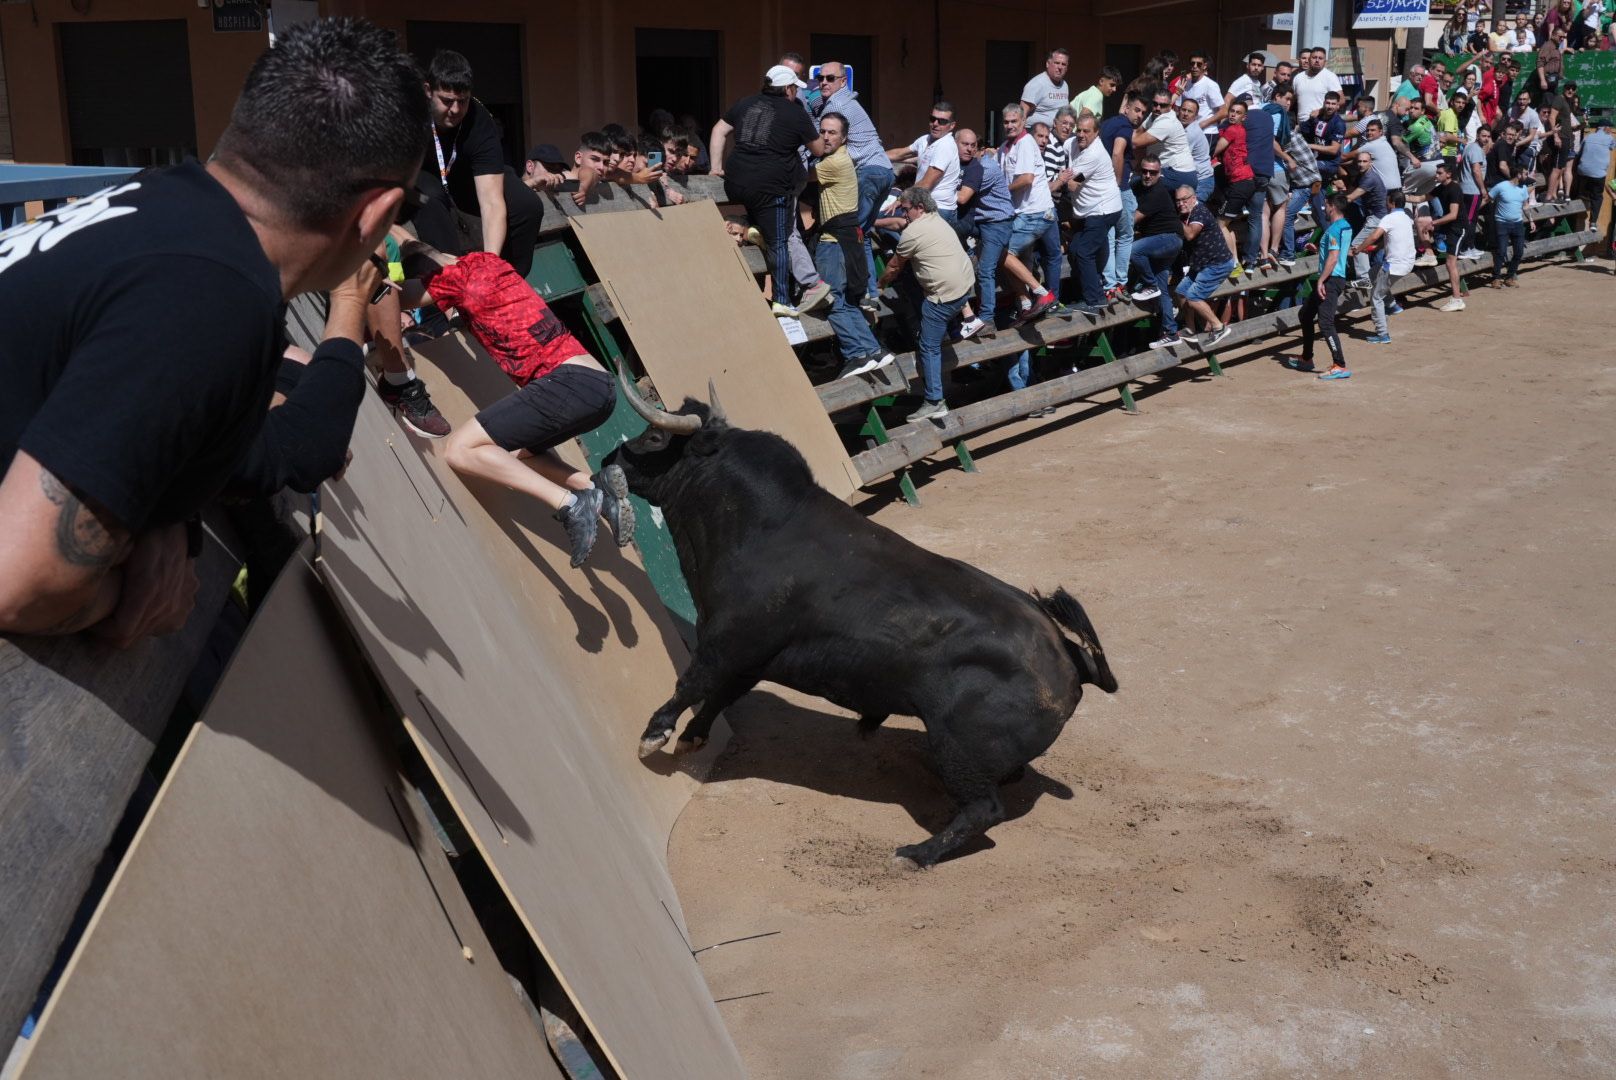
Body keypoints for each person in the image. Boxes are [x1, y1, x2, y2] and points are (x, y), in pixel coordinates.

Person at [0, 17, 423, 643]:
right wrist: (129, 600)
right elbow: (19, 587)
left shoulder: (161, 202)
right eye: (405, 209)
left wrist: (165, 514)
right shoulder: (210, 297)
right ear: (378, 215)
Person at [397, 241, 634, 568]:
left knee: (460, 450)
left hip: (568, 380)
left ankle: (569, 504)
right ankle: (592, 487)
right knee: (513, 455)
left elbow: (396, 296)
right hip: (599, 388)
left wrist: (387, 272)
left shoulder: (451, 278)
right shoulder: (487, 261)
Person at [414, 50, 547, 278]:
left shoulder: (478, 119)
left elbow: (492, 201)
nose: (455, 110)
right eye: (447, 101)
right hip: (422, 177)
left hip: (467, 178)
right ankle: (453, 285)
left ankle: (504, 281)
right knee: (430, 198)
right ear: (428, 91)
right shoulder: (410, 115)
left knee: (528, 205)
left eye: (462, 101)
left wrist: (491, 262)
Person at [710, 65, 824, 318]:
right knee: (779, 242)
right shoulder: (795, 112)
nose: (796, 92)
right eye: (795, 88)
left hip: (736, 181)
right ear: (787, 89)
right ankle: (781, 300)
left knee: (765, 225)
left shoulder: (744, 103)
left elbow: (719, 130)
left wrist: (715, 167)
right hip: (771, 187)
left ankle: (751, 229)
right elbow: (817, 149)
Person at [878, 187, 976, 424]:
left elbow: (893, 267)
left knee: (928, 345)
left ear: (919, 208)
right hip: (965, 287)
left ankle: (934, 400)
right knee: (933, 333)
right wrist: (876, 221)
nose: (904, 214)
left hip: (943, 297)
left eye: (906, 209)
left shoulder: (913, 233)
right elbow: (899, 225)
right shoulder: (937, 218)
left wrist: (878, 286)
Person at [809, 112, 892, 379]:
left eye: (832, 132)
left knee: (833, 301)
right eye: (822, 131)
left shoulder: (833, 163)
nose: (825, 136)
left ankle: (856, 354)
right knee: (848, 302)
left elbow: (795, 176)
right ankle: (872, 350)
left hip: (834, 244)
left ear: (844, 138)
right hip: (848, 241)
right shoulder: (839, 159)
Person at [813, 60, 894, 313]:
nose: (823, 82)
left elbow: (817, 141)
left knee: (850, 234)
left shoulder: (836, 107)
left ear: (842, 81)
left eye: (830, 78)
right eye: (820, 78)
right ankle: (868, 294)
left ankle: (853, 291)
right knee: (862, 235)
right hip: (884, 171)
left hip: (869, 173)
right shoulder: (847, 100)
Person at [1000, 103, 1062, 324]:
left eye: (1014, 121)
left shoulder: (1025, 143)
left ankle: (1041, 293)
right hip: (1022, 213)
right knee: (1019, 258)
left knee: (1003, 253)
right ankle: (1026, 305)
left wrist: (1000, 192)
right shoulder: (1006, 147)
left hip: (1035, 213)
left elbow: (1026, 178)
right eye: (1006, 122)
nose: (1009, 125)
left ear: (1023, 122)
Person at [1284, 193, 1353, 380]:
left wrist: (1321, 280)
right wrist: (1319, 249)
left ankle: (1339, 364)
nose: (1324, 208)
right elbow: (1335, 251)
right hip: (1334, 277)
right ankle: (1307, 358)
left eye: (1326, 205)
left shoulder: (1333, 229)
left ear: (1332, 206)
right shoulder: (1345, 226)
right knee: (1305, 314)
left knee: (1325, 323)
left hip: (1330, 279)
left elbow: (1334, 257)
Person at [953, 128, 1013, 336]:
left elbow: (962, 196)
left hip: (997, 223)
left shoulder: (984, 169)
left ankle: (987, 319)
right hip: (984, 223)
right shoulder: (976, 164)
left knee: (986, 270)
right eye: (965, 145)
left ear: (980, 149)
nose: (969, 150)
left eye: (973, 147)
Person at [1128, 150, 1187, 349]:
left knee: (1133, 251)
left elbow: (1131, 220)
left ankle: (1149, 283)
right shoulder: (1139, 184)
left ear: (1159, 173)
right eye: (1144, 171)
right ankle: (1171, 331)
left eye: (1152, 173)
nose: (1147, 175)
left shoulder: (1157, 192)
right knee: (1163, 290)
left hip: (1169, 239)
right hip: (1163, 243)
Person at [1065, 115, 1123, 313]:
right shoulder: (1074, 142)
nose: (1081, 135)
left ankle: (1095, 299)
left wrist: (1058, 176)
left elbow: (1072, 184)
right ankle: (1089, 293)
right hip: (1089, 210)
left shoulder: (1095, 153)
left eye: (1086, 131)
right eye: (1078, 130)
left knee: (1084, 252)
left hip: (1103, 209)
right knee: (1074, 249)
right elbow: (1062, 145)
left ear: (1096, 133)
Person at [1172, 186, 1235, 347]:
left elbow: (1190, 234)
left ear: (1194, 198)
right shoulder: (1188, 214)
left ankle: (1218, 327)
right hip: (1201, 264)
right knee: (1180, 292)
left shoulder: (1199, 212)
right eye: (1178, 200)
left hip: (1217, 264)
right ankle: (1190, 329)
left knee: (1193, 297)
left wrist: (1174, 219)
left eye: (1184, 199)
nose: (1181, 203)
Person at [1350, 189, 1416, 344]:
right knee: (1373, 273)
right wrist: (1375, 248)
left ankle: (1382, 334)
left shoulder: (1389, 218)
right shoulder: (1407, 217)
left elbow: (1374, 235)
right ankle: (1393, 306)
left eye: (1387, 201)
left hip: (1394, 265)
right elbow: (1391, 239)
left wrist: (1359, 249)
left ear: (1391, 203)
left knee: (1376, 297)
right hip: (1407, 262)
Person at [1099, 102, 1140, 300]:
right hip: (1119, 189)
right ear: (1126, 108)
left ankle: (1109, 286)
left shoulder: (1107, 124)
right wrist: (1118, 181)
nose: (1139, 115)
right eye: (1137, 110)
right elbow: (1118, 152)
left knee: (1109, 235)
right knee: (1124, 236)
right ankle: (1121, 283)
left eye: (1143, 112)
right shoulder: (1125, 127)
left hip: (1102, 189)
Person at [1213, 101, 1259, 269]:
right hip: (1243, 182)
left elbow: (1215, 149)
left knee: (1220, 224)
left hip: (1241, 183)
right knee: (1227, 223)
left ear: (1243, 117)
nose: (1233, 114)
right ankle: (1235, 261)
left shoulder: (1233, 130)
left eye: (1237, 112)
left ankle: (1231, 263)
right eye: (1231, 111)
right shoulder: (1237, 130)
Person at [1132, 87, 1198, 194]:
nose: (1158, 108)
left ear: (1169, 106)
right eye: (1155, 104)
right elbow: (1138, 133)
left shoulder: (1166, 122)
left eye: (1163, 105)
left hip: (1179, 175)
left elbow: (1135, 142)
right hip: (1169, 171)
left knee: (1134, 183)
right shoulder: (1155, 114)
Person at [1427, 158, 1468, 311]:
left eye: (1439, 173)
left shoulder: (1454, 189)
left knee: (1451, 263)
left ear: (1448, 174)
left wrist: (1434, 223)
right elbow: (1422, 198)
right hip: (1449, 227)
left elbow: (1453, 215)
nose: (1436, 175)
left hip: (1457, 228)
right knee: (1450, 263)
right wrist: (1404, 197)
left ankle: (1457, 299)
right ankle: (1429, 254)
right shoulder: (1441, 188)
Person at [1487, 167, 1531, 285]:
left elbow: (1525, 206)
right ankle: (1496, 277)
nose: (1527, 176)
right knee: (1501, 251)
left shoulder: (1524, 188)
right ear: (1518, 174)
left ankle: (1510, 276)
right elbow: (1487, 198)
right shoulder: (1501, 186)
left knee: (1519, 252)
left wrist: (1531, 220)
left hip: (1518, 223)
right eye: (1526, 174)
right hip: (1502, 223)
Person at [1458, 124, 1492, 259]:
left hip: (1467, 188)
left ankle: (1470, 246)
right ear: (1478, 136)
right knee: (1470, 220)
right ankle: (1466, 248)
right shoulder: (1476, 150)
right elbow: (1476, 170)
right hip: (1472, 190)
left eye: (1488, 137)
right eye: (1483, 136)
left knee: (1470, 219)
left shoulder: (1470, 148)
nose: (1486, 139)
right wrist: (1483, 189)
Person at [1573, 118, 1615, 221]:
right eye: (1610, 128)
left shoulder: (1588, 136)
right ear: (1606, 128)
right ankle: (1593, 222)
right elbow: (1612, 147)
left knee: (1584, 189)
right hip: (1598, 175)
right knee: (1597, 197)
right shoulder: (1609, 138)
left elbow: (1579, 152)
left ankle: (1584, 196)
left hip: (1582, 172)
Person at [1021, 49, 1073, 128]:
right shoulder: (1037, 84)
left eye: (1063, 64)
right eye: (1057, 63)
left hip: (1058, 133)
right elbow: (1022, 113)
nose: (1060, 67)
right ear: (1048, 64)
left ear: (1067, 68)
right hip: (1036, 134)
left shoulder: (1064, 85)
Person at [1294, 46, 1344, 119]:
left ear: (1324, 62)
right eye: (1314, 57)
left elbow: (1341, 100)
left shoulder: (1330, 77)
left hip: (1321, 123)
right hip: (1301, 125)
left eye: (1320, 58)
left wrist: (1320, 111)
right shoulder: (1298, 77)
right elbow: (1293, 99)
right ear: (1309, 59)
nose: (1317, 60)